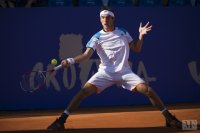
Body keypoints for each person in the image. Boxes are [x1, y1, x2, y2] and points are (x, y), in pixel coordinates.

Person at [47, 7, 182, 130]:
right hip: (105, 73)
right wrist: (69, 61)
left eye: (107, 17)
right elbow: (85, 55)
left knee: (148, 90)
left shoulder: (123, 32)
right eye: (102, 17)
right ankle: (61, 121)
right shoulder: (97, 37)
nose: (104, 20)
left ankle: (169, 118)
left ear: (113, 18)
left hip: (124, 72)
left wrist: (140, 36)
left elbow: (136, 48)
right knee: (83, 92)